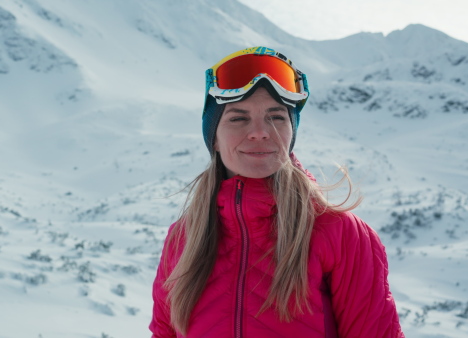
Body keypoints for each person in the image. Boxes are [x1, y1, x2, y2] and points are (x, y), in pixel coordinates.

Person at [150, 46, 404, 337]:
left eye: (276, 117)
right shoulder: (183, 239)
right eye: (238, 118)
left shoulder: (341, 234)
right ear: (215, 139)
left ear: (291, 133)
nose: (260, 131)